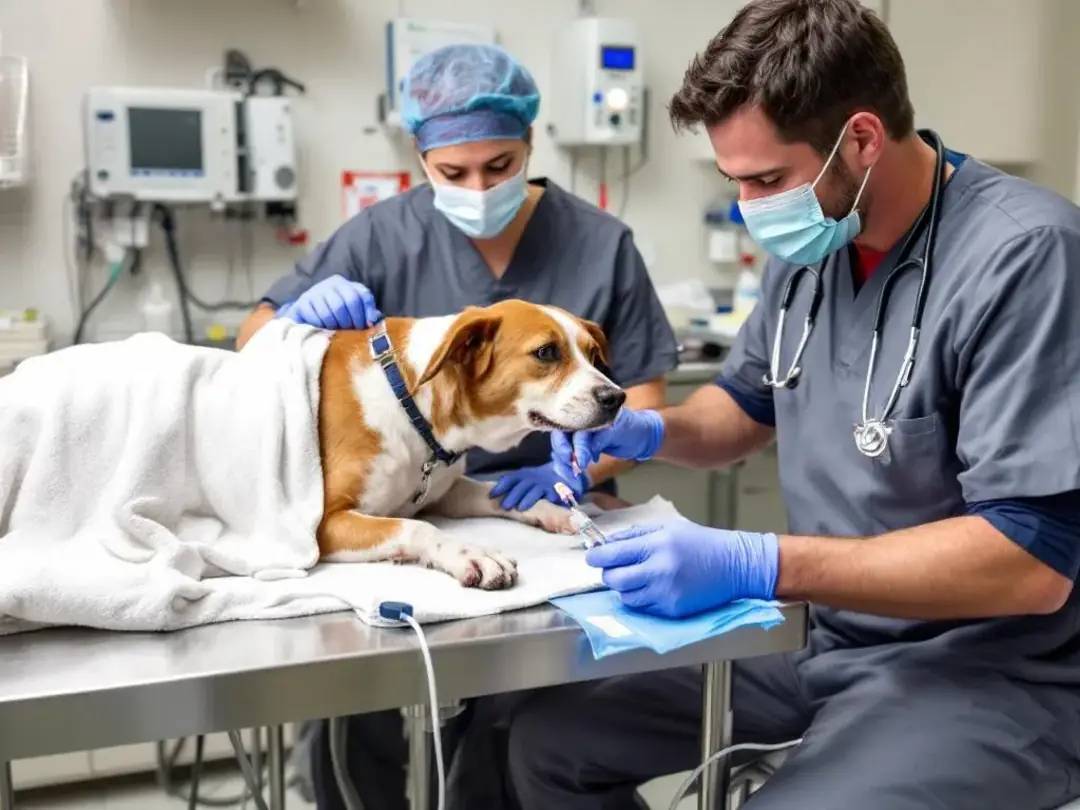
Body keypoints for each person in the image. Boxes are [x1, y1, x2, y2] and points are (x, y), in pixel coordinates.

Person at [502, 1, 1080, 808]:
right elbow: (741, 409)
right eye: (732, 180)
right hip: (821, 631)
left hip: (985, 671)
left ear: (864, 139)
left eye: (767, 179)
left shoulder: (1026, 256)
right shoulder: (816, 246)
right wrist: (639, 430)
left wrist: (759, 562)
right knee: (546, 745)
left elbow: (1031, 564)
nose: (749, 206)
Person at [237, 42, 679, 810]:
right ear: (421, 156)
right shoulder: (380, 237)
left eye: (501, 166)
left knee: (516, 718)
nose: (479, 187)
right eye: (454, 172)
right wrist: (294, 320)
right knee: (357, 708)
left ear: (530, 143)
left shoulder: (600, 243)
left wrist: (580, 469)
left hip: (546, 517)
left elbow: (638, 402)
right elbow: (254, 344)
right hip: (406, 511)